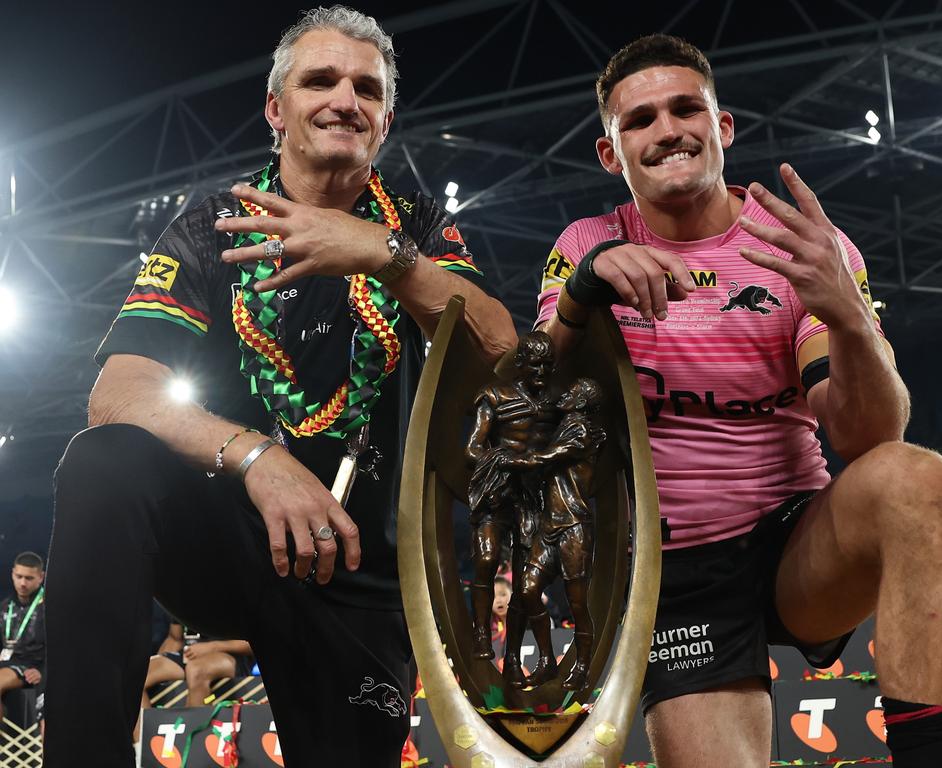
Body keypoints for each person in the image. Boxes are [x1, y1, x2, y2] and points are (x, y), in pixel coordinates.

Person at [44, 7, 516, 767]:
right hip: (224, 538)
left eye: (366, 88)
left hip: (358, 567)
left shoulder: (417, 228)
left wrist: (384, 256)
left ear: (385, 119)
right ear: (276, 107)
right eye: (319, 80)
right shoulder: (212, 225)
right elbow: (118, 394)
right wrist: (258, 458)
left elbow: (503, 356)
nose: (344, 100)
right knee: (105, 462)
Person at [535, 34, 942, 768]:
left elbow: (868, 434)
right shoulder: (590, 242)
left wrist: (848, 317)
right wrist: (581, 297)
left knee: (917, 476)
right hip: (673, 571)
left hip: (792, 541)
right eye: (639, 120)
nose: (668, 129)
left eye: (685, 109)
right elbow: (536, 401)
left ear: (722, 127)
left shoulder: (801, 246)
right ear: (611, 155)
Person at [465, 332, 560, 664]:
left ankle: (515, 658)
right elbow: (474, 447)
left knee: (524, 580)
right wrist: (502, 460)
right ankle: (480, 632)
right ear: (519, 365)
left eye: (547, 367)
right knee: (487, 560)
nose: (541, 374)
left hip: (532, 498)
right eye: (535, 366)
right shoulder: (494, 395)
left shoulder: (556, 402)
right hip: (496, 490)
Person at [509, 377, 606, 690]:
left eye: (573, 391)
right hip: (550, 524)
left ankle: (582, 666)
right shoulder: (565, 425)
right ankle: (547, 661)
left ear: (581, 401)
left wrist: (513, 459)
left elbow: (548, 457)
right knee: (526, 589)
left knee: (577, 603)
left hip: (573, 525)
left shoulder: (582, 429)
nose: (565, 393)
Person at [0, 552, 45, 722]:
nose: (23, 583)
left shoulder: (49, 608)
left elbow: (60, 648)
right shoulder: (5, 607)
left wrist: (42, 671)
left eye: (29, 578)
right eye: (19, 576)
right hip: (7, 664)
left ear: (41, 577)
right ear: (12, 573)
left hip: (33, 667)